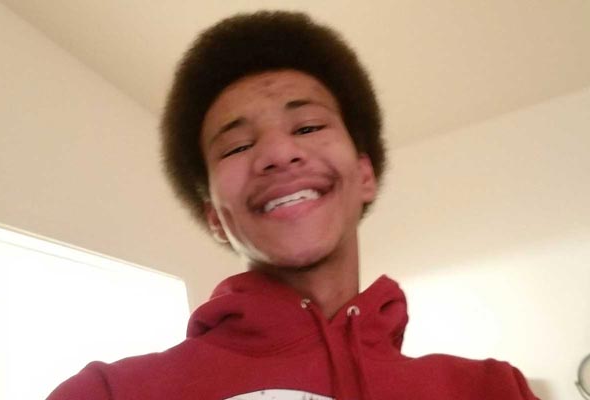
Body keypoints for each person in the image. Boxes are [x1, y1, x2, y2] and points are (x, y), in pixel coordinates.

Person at [48, 11, 538, 400]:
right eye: (237, 146)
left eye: (308, 126)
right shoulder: (110, 394)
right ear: (215, 217)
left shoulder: (492, 390)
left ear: (365, 174)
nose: (279, 153)